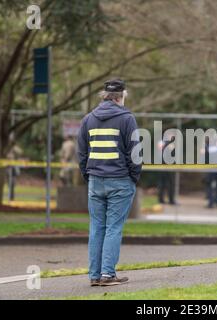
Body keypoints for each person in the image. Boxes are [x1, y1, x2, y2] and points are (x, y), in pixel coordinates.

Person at [77, 79, 141, 287]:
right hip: (120, 180)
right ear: (120, 97)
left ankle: (94, 275)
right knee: (113, 227)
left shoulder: (88, 119)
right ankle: (107, 274)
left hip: (96, 181)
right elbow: (135, 152)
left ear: (104, 96)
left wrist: (89, 175)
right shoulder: (127, 118)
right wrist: (134, 177)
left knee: (96, 227)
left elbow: (82, 153)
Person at [157, 132, 176, 205]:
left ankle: (169, 200)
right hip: (164, 165)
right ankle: (163, 200)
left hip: (166, 165)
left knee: (168, 183)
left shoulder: (170, 143)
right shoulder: (164, 143)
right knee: (164, 183)